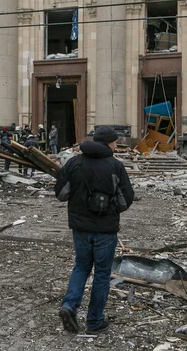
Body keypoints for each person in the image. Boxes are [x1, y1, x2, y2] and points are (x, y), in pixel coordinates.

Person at [54, 126, 134, 334]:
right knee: (101, 273)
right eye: (115, 142)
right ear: (108, 143)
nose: (117, 145)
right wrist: (110, 208)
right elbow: (126, 200)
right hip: (105, 230)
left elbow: (61, 194)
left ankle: (69, 306)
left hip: (80, 227)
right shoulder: (115, 166)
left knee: (81, 266)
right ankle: (95, 321)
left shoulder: (74, 162)